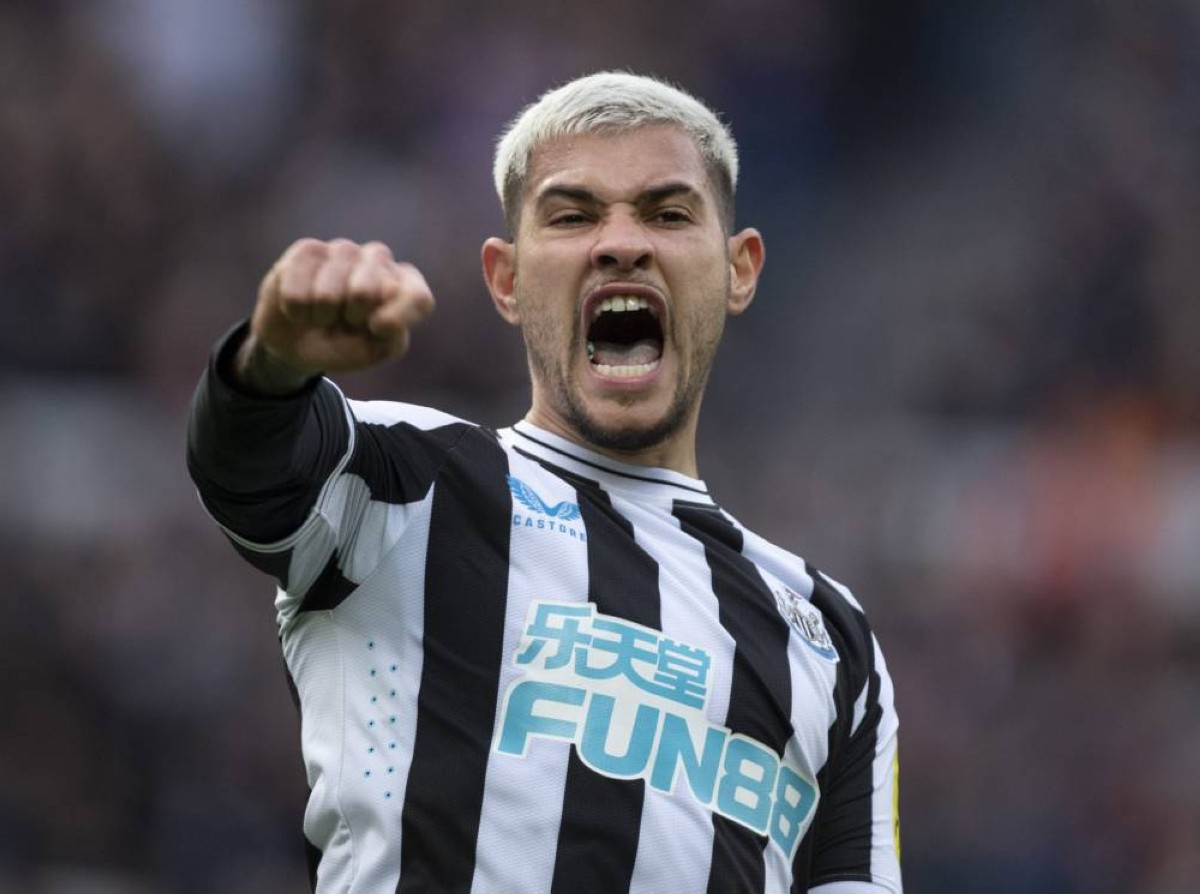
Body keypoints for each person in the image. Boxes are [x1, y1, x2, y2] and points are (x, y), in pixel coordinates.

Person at [187, 71, 902, 894]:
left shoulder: (832, 638)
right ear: (508, 279)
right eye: (573, 215)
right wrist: (275, 359)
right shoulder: (408, 483)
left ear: (739, 269)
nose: (622, 243)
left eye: (668, 214)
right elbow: (249, 462)